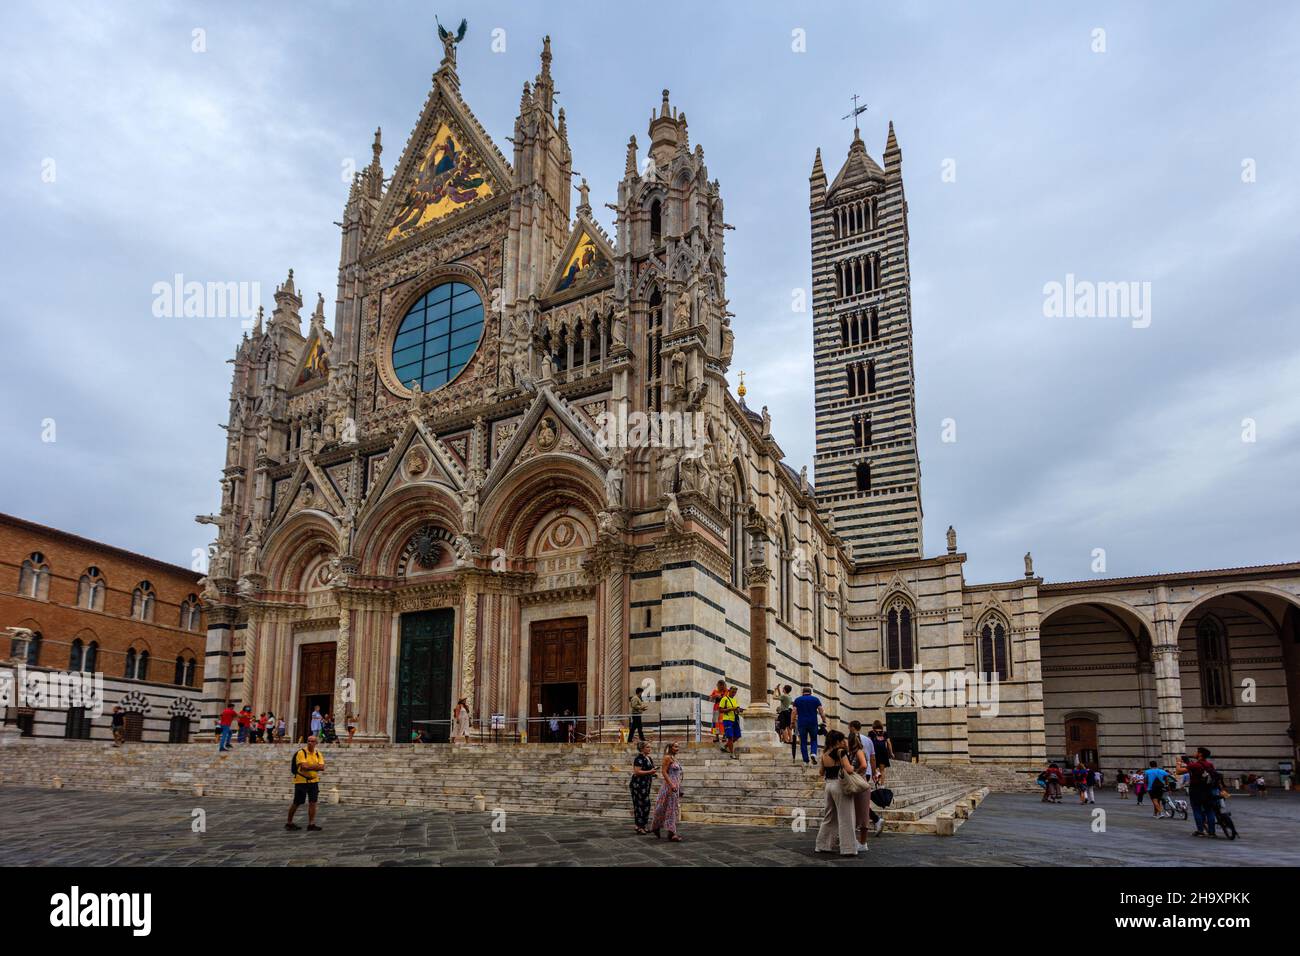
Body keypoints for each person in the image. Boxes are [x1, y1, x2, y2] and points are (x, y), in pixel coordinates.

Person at [814, 730, 858, 857]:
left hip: (828, 785)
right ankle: (848, 848)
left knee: (829, 817)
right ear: (838, 741)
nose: (844, 741)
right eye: (842, 739)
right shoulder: (841, 752)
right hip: (840, 785)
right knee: (846, 817)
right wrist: (855, 767)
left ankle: (821, 845)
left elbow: (821, 772)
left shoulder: (825, 754)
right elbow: (849, 769)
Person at [286, 735, 325, 832]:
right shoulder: (301, 752)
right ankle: (289, 822)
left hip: (314, 781)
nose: (310, 743)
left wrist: (310, 766)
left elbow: (322, 767)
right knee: (297, 803)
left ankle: (311, 824)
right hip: (301, 781)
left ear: (316, 743)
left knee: (313, 802)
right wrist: (315, 766)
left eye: (312, 741)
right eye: (308, 741)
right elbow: (304, 766)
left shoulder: (318, 753)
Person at [847, 725, 875, 849]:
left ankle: (863, 843)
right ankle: (857, 841)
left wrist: (856, 773)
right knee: (857, 813)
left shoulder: (858, 751)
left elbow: (863, 765)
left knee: (863, 814)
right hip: (858, 785)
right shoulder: (852, 753)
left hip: (861, 785)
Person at [649, 741, 684, 841]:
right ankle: (671, 833)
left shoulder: (674, 758)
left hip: (675, 786)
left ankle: (664, 829)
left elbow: (677, 775)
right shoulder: (667, 757)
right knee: (667, 808)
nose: (678, 748)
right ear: (671, 747)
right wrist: (672, 784)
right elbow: (664, 772)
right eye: (676, 747)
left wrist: (679, 787)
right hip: (669, 786)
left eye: (678, 747)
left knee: (670, 808)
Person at [1185, 746, 1219, 838]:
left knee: (1197, 810)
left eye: (1196, 752)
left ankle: (1200, 831)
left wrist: (1177, 763)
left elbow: (1179, 771)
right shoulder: (1210, 764)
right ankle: (1212, 832)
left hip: (1196, 790)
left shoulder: (1194, 765)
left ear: (1200, 754)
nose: (1195, 753)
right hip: (1208, 790)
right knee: (1209, 811)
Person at [629, 740, 657, 834]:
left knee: (646, 805)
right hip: (638, 785)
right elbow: (637, 772)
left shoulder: (648, 758)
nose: (650, 749)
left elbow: (649, 770)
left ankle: (642, 825)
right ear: (642, 748)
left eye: (650, 747)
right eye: (647, 747)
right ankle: (639, 826)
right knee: (640, 805)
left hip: (646, 784)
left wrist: (653, 773)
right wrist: (650, 772)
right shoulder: (639, 759)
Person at [791, 687, 824, 764]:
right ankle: (813, 753)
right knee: (814, 739)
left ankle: (806, 759)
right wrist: (824, 720)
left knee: (803, 741)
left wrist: (792, 722)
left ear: (802, 692)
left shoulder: (798, 700)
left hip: (801, 723)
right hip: (813, 722)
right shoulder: (815, 699)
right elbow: (821, 711)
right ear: (810, 692)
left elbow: (794, 712)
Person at [719, 686, 743, 758]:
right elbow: (720, 710)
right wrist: (730, 709)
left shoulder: (735, 700)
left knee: (737, 736)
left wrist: (739, 710)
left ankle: (725, 746)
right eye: (732, 692)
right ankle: (732, 754)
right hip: (727, 719)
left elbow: (736, 709)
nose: (733, 694)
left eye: (735, 692)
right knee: (730, 737)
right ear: (729, 691)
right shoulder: (724, 699)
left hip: (735, 719)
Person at [772, 684, 794, 749]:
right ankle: (791, 740)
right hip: (788, 712)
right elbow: (781, 696)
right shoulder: (789, 696)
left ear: (784, 689)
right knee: (788, 727)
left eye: (783, 688)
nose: (782, 689)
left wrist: (775, 689)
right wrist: (778, 689)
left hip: (783, 713)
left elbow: (774, 697)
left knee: (783, 727)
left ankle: (786, 740)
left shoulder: (784, 696)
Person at [708, 679, 727, 744]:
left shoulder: (726, 691)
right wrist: (714, 696)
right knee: (716, 723)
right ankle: (717, 736)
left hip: (723, 709)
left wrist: (721, 697)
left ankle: (724, 736)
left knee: (724, 722)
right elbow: (710, 699)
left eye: (721, 685)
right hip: (716, 708)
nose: (720, 687)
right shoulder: (715, 691)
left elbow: (728, 699)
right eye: (719, 685)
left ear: (723, 686)